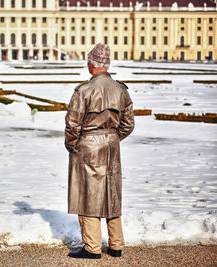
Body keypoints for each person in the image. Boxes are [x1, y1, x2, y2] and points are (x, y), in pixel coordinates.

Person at [65, 43, 135, 259]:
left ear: (91, 65)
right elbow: (128, 124)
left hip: (87, 147)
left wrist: (73, 145)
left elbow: (72, 125)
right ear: (107, 65)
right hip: (112, 146)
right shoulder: (120, 89)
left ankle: (92, 247)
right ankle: (116, 244)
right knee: (111, 194)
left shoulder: (84, 91)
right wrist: (112, 138)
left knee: (88, 196)